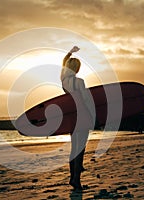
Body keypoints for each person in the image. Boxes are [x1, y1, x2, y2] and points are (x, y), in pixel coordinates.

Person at [61, 46, 95, 191]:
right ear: (77, 68)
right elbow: (87, 101)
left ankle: (73, 176)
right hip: (82, 116)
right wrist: (94, 118)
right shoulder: (79, 82)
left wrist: (70, 52)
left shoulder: (63, 80)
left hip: (71, 117)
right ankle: (76, 179)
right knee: (80, 148)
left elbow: (63, 63)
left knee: (74, 147)